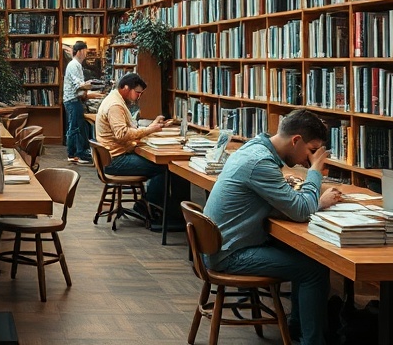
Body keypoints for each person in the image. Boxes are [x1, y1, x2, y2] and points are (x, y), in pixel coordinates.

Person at [203, 109, 343, 345]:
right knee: (313, 270)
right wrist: (314, 172)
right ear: (296, 140)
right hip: (228, 254)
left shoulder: (254, 148)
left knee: (305, 255)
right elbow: (300, 211)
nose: (309, 158)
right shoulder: (260, 162)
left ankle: (297, 329)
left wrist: (308, 200)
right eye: (311, 151)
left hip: (221, 244)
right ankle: (310, 340)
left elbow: (287, 204)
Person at [94, 72, 183, 219]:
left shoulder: (115, 100)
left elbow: (128, 129)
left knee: (162, 164)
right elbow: (122, 134)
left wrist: (151, 126)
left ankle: (151, 205)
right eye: (137, 93)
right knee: (164, 167)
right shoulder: (115, 105)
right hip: (116, 160)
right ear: (126, 88)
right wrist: (149, 130)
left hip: (113, 157)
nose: (139, 97)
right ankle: (152, 207)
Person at [62, 40, 103, 164]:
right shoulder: (74, 65)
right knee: (75, 127)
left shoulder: (76, 65)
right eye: (85, 51)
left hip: (73, 99)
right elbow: (78, 85)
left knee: (78, 126)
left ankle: (78, 152)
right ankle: (75, 154)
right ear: (79, 51)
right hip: (72, 100)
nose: (86, 53)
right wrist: (91, 85)